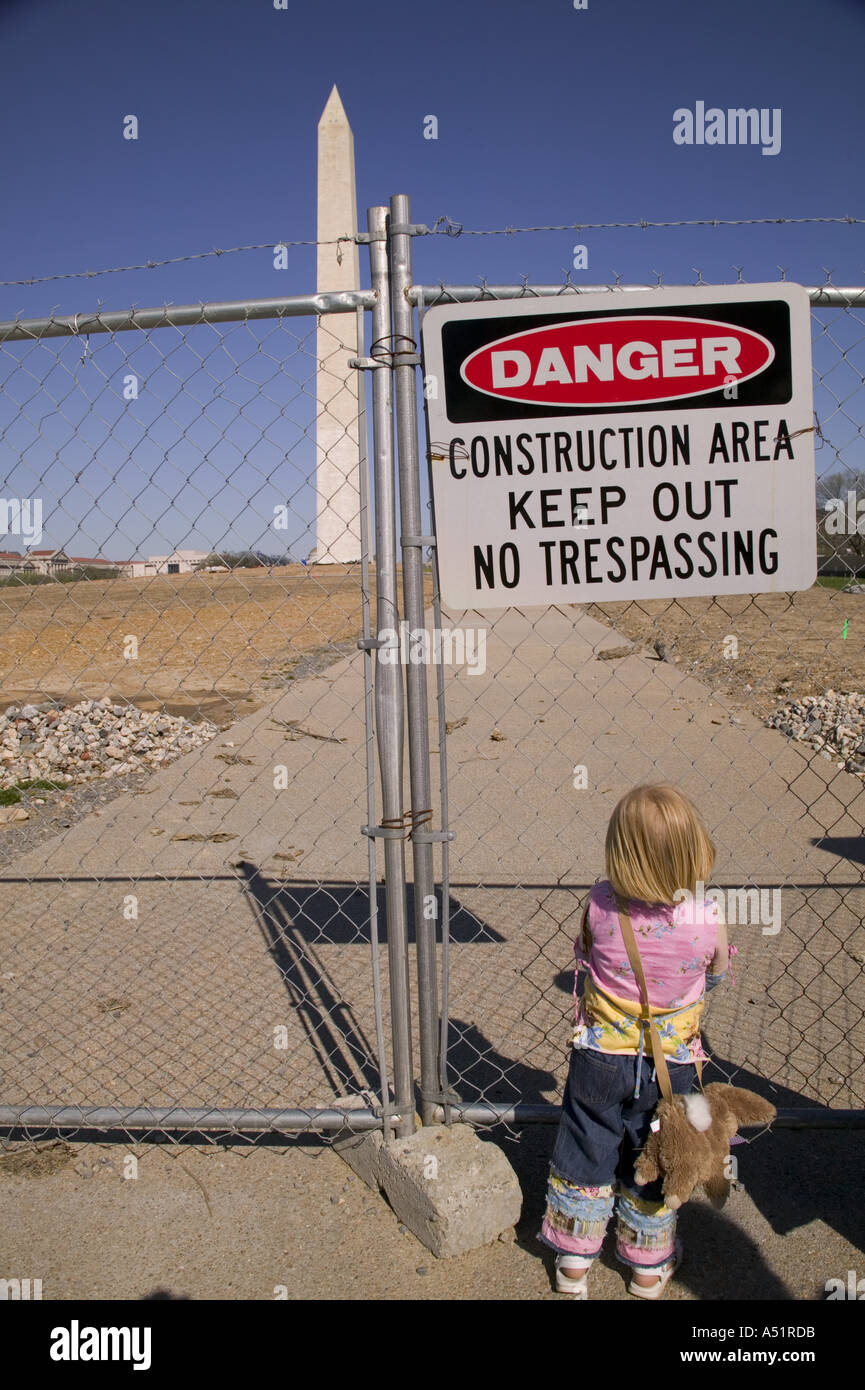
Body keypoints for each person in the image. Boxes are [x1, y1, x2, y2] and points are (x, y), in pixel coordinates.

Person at [539, 783, 731, 1299]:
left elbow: (584, 953)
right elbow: (715, 974)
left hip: (601, 1054)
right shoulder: (707, 916)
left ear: (620, 851)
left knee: (588, 1142)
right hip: (674, 1064)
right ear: (693, 849)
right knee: (659, 1152)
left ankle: (574, 1260)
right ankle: (647, 1266)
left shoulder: (602, 902)